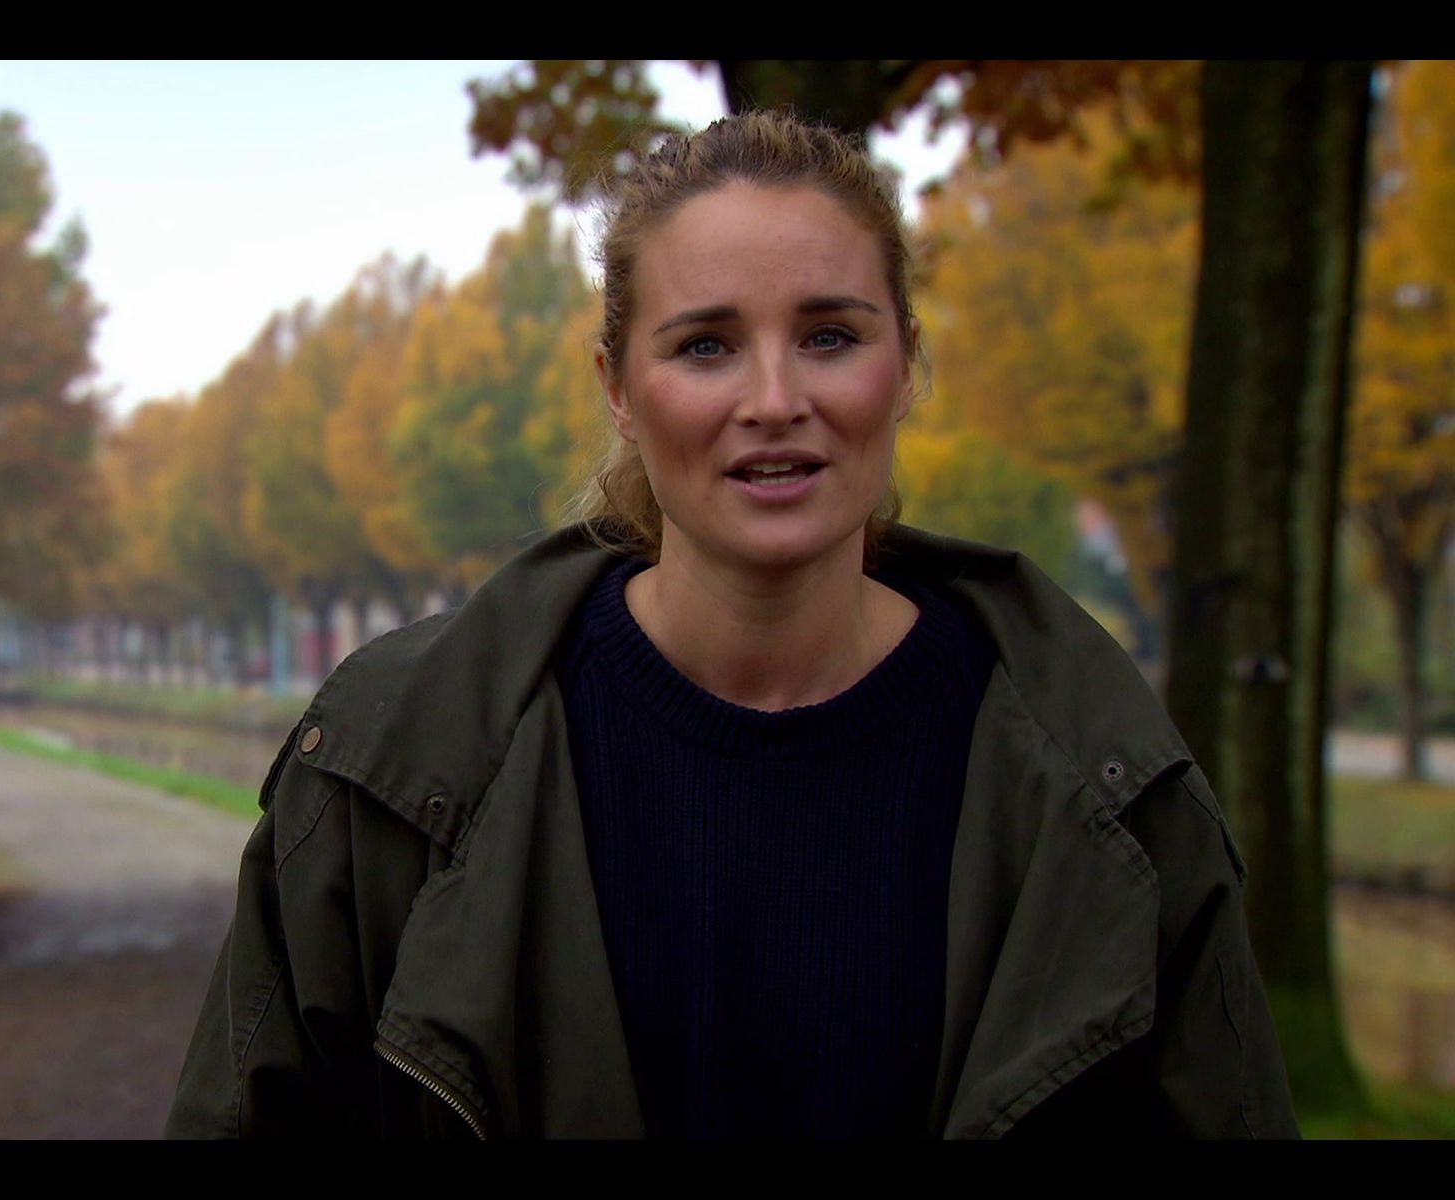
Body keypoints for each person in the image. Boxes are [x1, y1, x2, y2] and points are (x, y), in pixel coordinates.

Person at [164, 109, 1301, 1140]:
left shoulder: (1110, 794)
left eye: (830, 336)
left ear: (906, 362)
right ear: (619, 386)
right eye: (706, 345)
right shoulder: (388, 770)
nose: (774, 400)